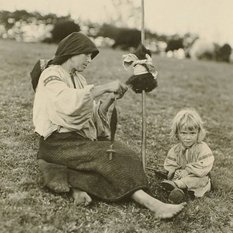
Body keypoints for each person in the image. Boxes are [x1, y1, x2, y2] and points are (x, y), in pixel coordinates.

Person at [31, 32, 186, 219]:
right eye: (86, 54)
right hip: (57, 144)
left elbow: (89, 114)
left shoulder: (78, 78)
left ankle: (76, 188)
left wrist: (110, 99)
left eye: (91, 56)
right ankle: (154, 205)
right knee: (113, 160)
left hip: (77, 141)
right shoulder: (51, 74)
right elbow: (66, 101)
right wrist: (104, 87)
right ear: (72, 51)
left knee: (125, 153)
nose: (89, 60)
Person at [161, 108, 214, 203]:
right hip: (180, 177)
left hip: (197, 177)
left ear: (198, 132)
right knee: (176, 177)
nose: (188, 138)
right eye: (183, 133)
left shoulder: (202, 148)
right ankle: (179, 192)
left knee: (200, 180)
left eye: (192, 133)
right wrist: (175, 171)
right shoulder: (175, 150)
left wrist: (187, 171)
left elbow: (205, 165)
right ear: (177, 133)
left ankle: (177, 186)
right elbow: (170, 164)